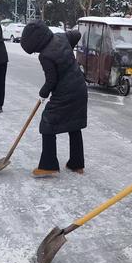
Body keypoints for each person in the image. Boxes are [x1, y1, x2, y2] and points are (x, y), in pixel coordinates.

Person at [21, 21, 87, 178]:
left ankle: (48, 165)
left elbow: (52, 80)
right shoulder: (61, 37)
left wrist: (43, 94)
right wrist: (68, 47)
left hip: (65, 93)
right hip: (79, 88)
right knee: (74, 124)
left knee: (47, 124)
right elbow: (76, 34)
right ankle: (76, 164)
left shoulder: (45, 56)